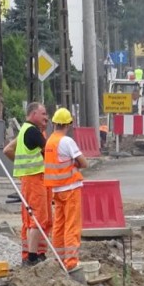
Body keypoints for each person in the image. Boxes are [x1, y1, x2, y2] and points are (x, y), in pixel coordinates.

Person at [4, 102, 52, 265]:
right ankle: (33, 256)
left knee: (31, 218)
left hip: (30, 179)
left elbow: (7, 150)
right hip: (34, 179)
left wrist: (22, 168)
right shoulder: (32, 132)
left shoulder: (24, 130)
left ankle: (31, 254)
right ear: (33, 114)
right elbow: (50, 151)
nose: (46, 117)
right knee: (38, 217)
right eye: (43, 113)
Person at [44, 107, 88, 273]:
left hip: (57, 190)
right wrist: (74, 164)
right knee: (72, 226)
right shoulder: (67, 141)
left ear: (54, 123)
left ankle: (58, 259)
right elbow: (84, 163)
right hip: (70, 189)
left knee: (59, 225)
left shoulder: (50, 142)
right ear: (68, 124)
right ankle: (71, 262)